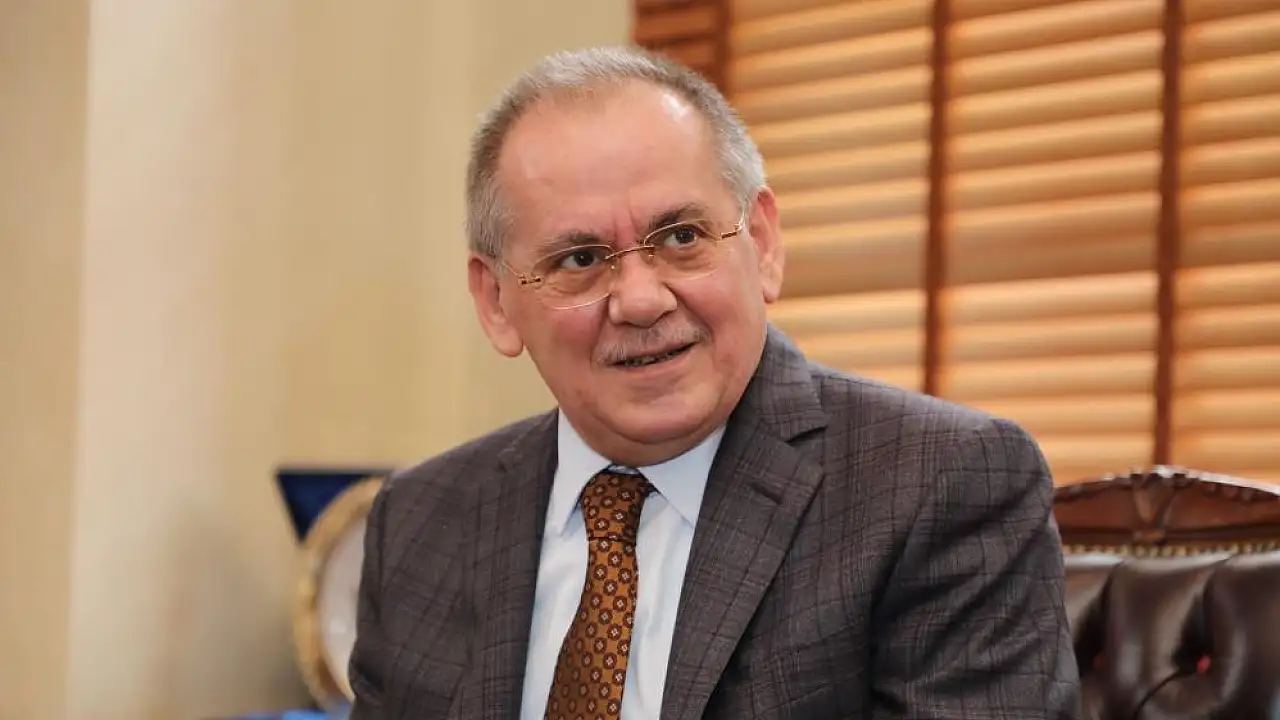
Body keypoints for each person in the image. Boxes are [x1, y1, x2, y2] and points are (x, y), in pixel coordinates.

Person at [347, 45, 1080, 719]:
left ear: (761, 244)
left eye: (681, 238)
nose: (641, 300)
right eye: (581, 259)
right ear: (496, 302)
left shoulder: (939, 486)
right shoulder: (419, 523)